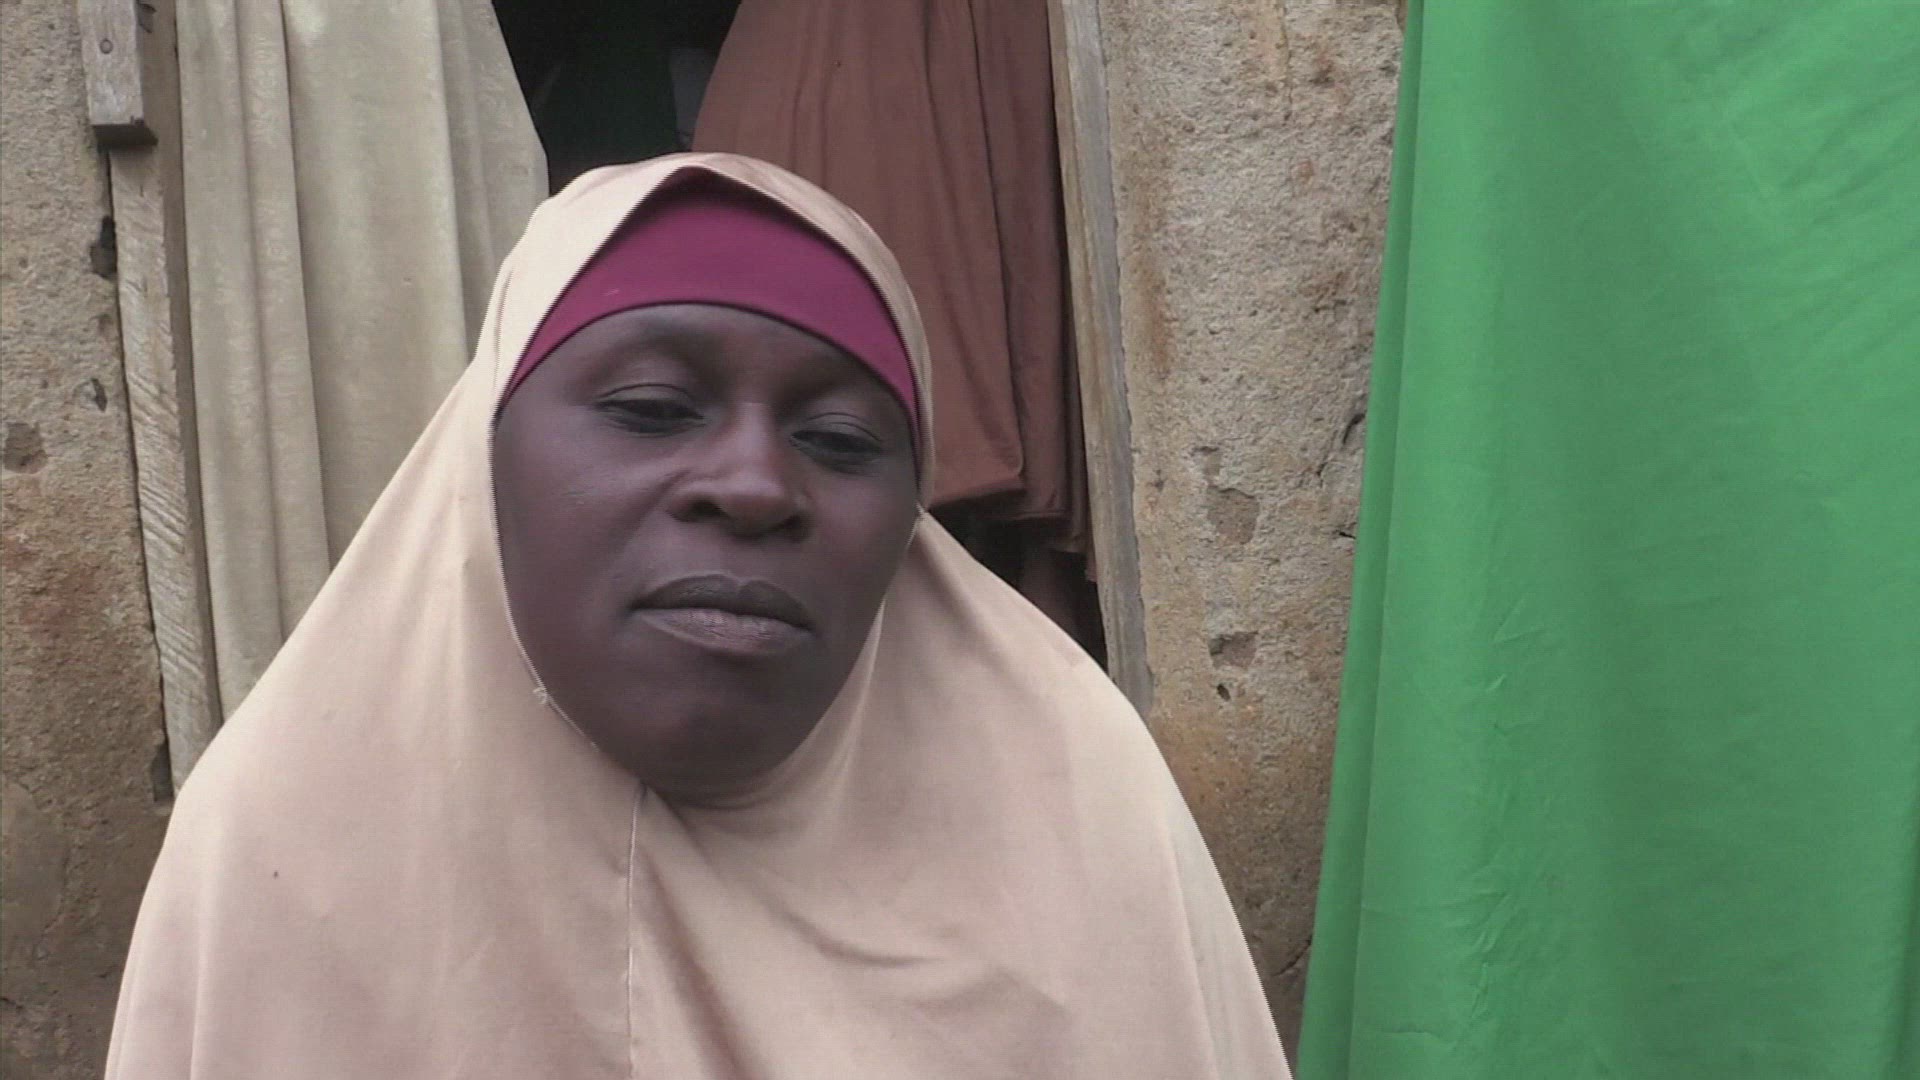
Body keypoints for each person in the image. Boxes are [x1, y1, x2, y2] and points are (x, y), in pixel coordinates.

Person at [105, 153, 1291, 1079]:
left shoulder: (1076, 814)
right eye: (650, 408)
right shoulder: (286, 845)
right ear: (483, 463)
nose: (757, 485)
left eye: (840, 439)